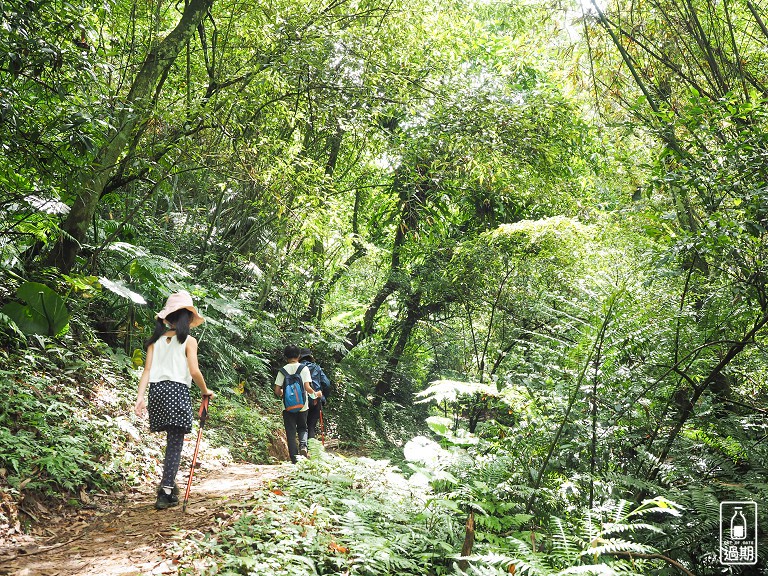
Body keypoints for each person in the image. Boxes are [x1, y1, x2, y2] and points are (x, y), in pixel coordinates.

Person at [134, 291, 214, 510]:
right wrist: (205, 391)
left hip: (157, 392)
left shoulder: (154, 341)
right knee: (176, 442)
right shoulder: (189, 341)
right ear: (186, 319)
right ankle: (166, 491)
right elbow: (194, 371)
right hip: (177, 392)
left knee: (172, 441)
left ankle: (169, 485)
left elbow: (147, 371)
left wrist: (140, 398)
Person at [274, 344, 321, 463]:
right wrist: (316, 395)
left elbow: (277, 391)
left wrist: (285, 394)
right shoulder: (303, 368)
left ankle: (294, 459)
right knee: (302, 428)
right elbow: (307, 387)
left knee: (290, 431)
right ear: (299, 356)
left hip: (287, 407)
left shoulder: (282, 371)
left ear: (285, 357)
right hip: (302, 405)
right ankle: (303, 446)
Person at [298, 348, 330, 441]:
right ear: (310, 357)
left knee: (302, 426)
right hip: (315, 399)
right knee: (311, 426)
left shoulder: (297, 368)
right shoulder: (317, 368)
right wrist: (323, 398)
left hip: (300, 399)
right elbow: (327, 384)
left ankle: (303, 447)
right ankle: (312, 451)